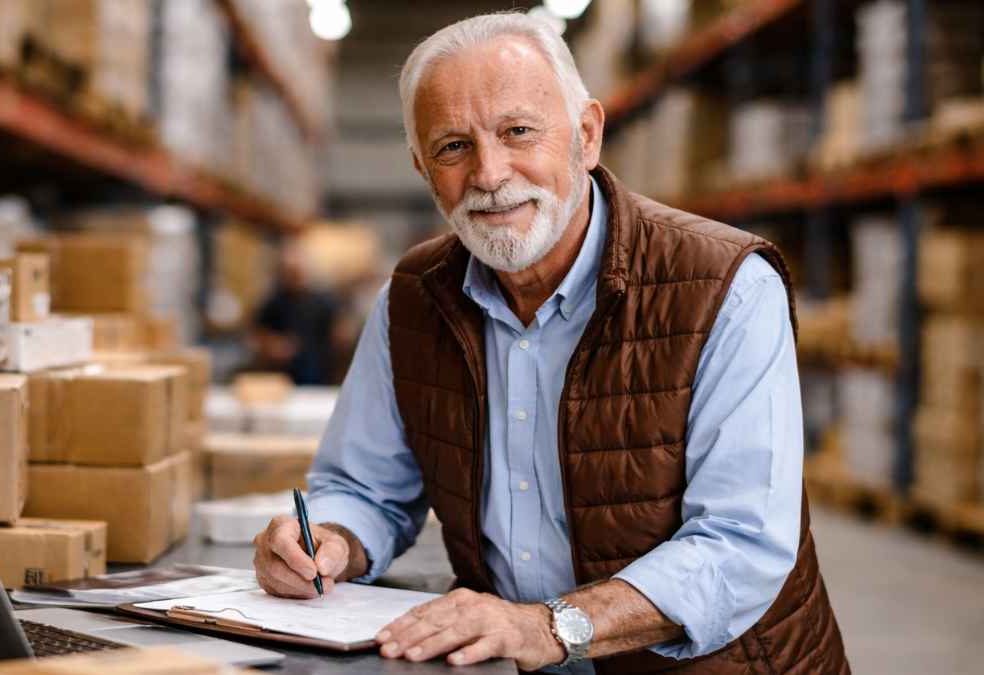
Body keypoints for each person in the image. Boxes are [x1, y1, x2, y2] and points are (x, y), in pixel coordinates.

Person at [252, 12, 849, 674]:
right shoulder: (413, 299)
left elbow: (741, 545)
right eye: (453, 146)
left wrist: (550, 625)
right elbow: (364, 486)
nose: (489, 173)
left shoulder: (726, 287)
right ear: (422, 168)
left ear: (587, 135)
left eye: (518, 132)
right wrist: (330, 540)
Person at [251, 243, 338, 385]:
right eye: (290, 272)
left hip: (319, 376)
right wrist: (274, 345)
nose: (295, 277)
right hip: (283, 378)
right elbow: (257, 334)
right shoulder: (274, 302)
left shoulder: (323, 302)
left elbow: (337, 334)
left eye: (298, 272)